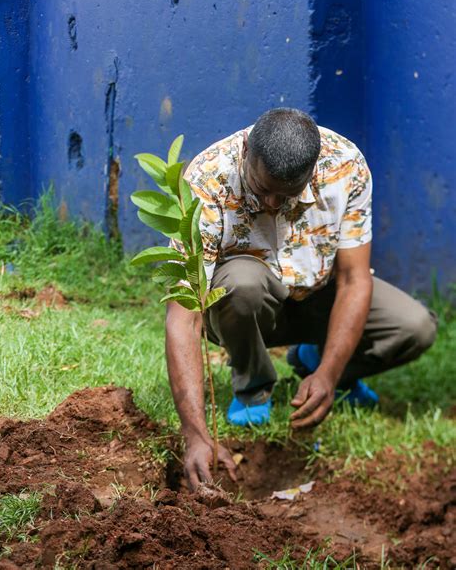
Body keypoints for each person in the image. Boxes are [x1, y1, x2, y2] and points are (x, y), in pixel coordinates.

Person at [165, 108, 437, 491]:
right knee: (243, 284)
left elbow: (354, 280)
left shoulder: (344, 166)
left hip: (317, 291)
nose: (274, 204)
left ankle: (314, 362)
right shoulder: (207, 180)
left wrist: (330, 372)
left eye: (288, 194)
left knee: (415, 326)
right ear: (246, 152)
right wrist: (195, 434)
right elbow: (183, 316)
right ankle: (253, 386)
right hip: (245, 306)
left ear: (311, 171)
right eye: (263, 191)